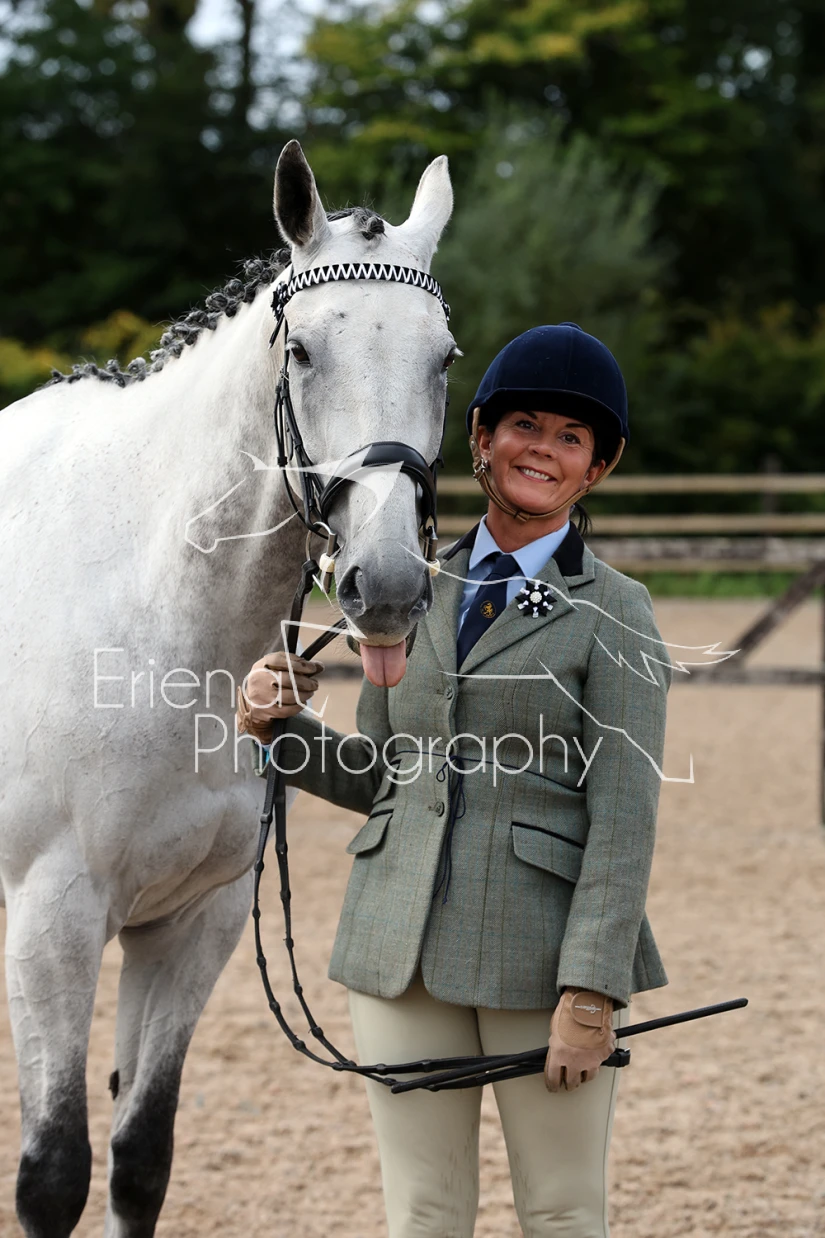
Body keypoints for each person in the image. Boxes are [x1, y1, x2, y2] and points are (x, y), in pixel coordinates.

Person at [238, 323, 672, 1238]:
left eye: (570, 437)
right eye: (524, 426)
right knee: (423, 1212)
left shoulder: (617, 612)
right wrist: (279, 728)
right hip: (396, 945)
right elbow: (384, 776)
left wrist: (591, 989)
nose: (541, 450)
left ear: (597, 466)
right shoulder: (411, 585)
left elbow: (625, 817)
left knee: (560, 1210)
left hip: (540, 958)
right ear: (479, 436)